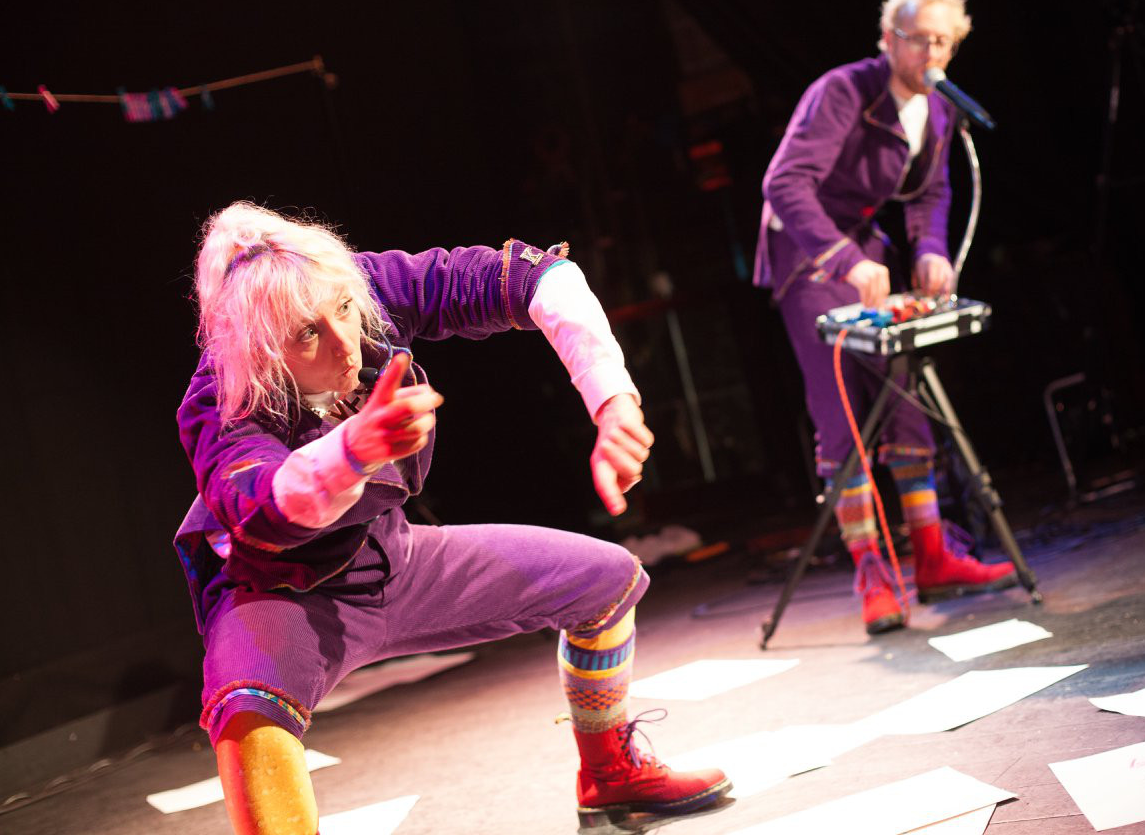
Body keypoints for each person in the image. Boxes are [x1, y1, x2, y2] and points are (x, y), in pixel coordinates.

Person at [174, 201, 729, 835]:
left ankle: (607, 774)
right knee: (246, 704)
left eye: (347, 314)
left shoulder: (355, 287)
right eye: (308, 334)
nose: (346, 343)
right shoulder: (223, 398)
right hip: (282, 598)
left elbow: (533, 279)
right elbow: (263, 508)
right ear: (262, 351)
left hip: (397, 559)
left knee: (606, 581)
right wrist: (348, 453)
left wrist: (612, 398)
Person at [752, 0, 1017, 635]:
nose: (931, 53)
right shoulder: (842, 91)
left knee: (904, 394)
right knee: (840, 410)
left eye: (943, 42)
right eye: (917, 39)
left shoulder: (941, 106)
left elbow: (931, 194)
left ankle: (931, 554)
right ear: (887, 39)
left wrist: (930, 249)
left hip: (864, 250)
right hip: (807, 255)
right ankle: (873, 570)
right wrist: (843, 260)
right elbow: (783, 183)